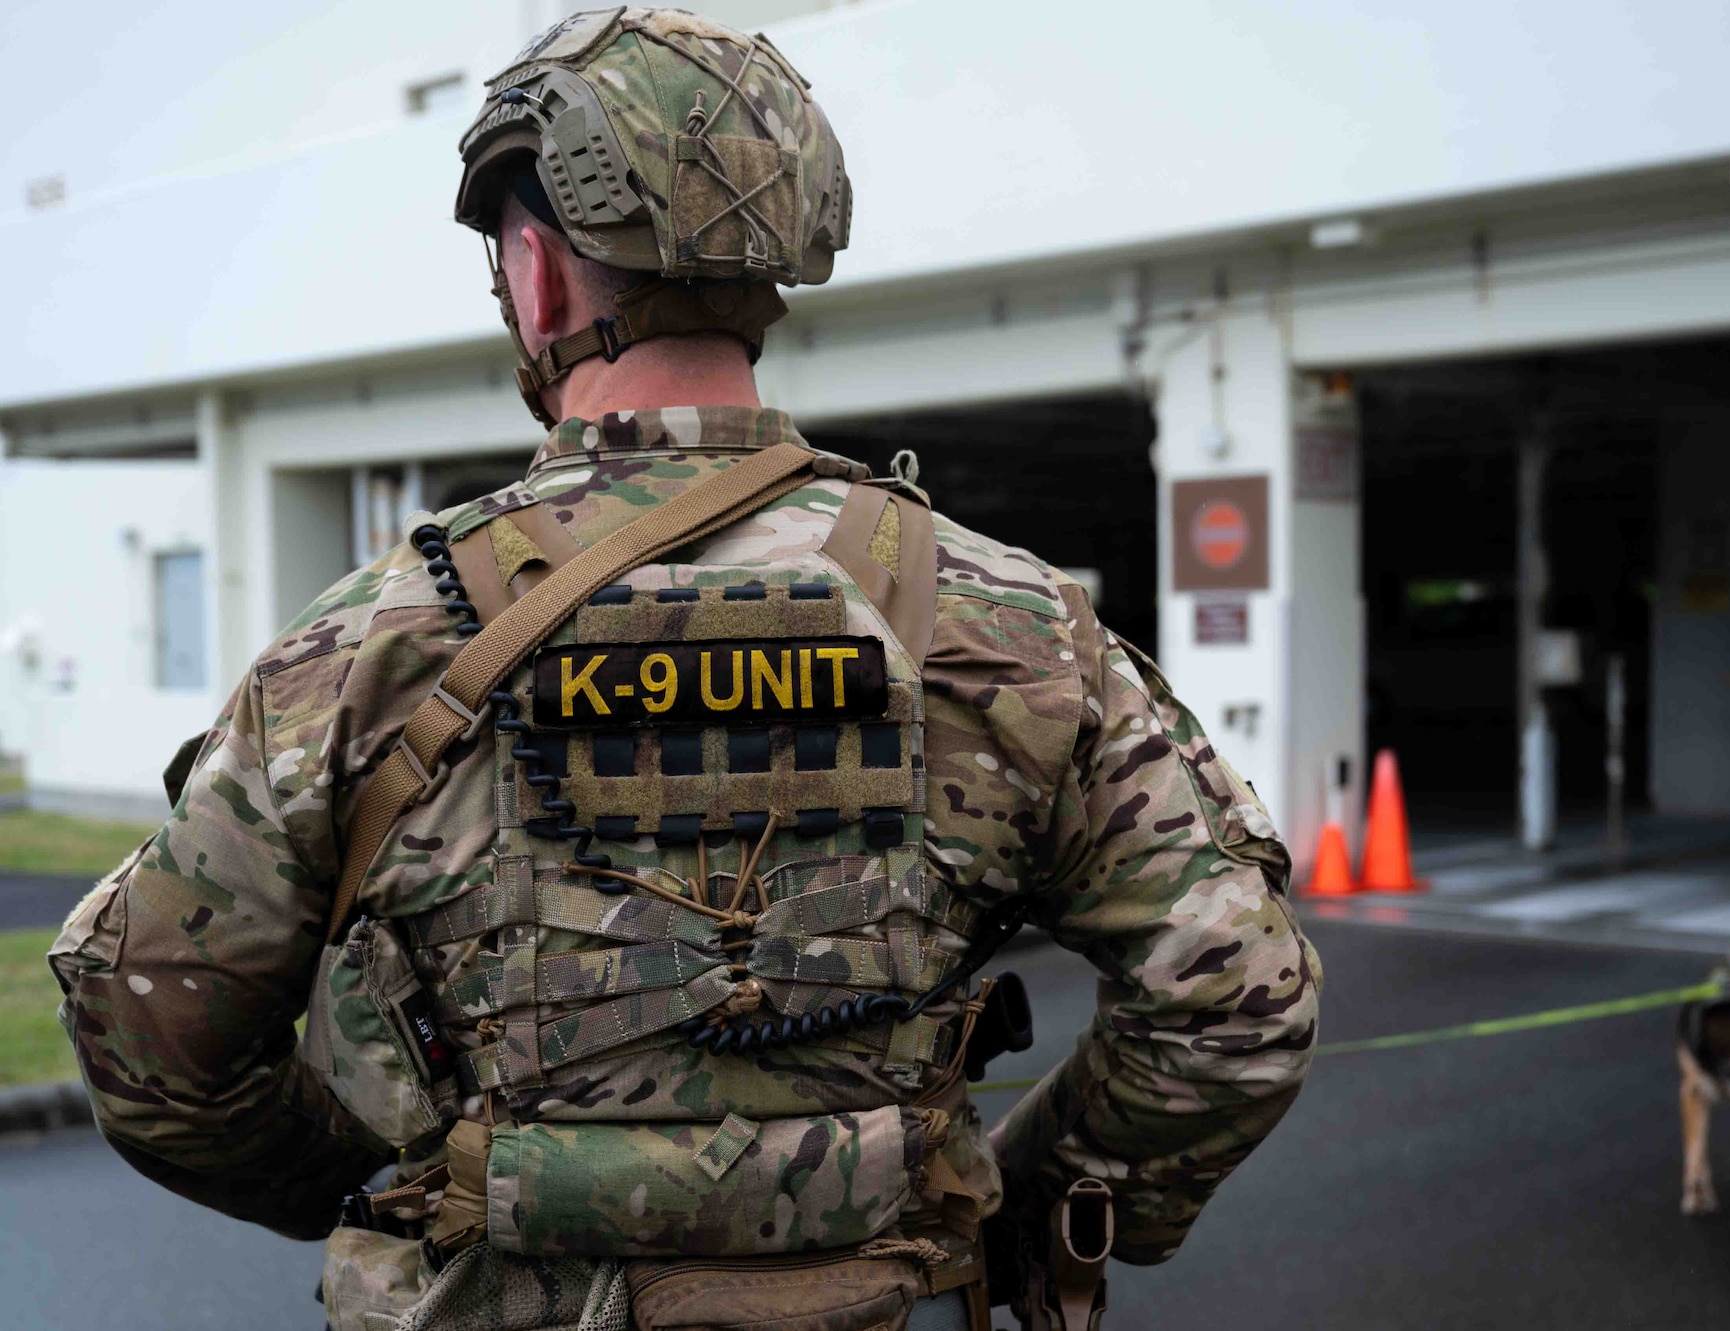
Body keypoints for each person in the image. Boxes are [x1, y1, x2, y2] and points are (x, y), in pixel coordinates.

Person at [49, 10, 1320, 1329]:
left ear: (536, 275)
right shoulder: (1014, 625)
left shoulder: (365, 650)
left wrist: (369, 1184)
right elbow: (1237, 1001)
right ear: (777, 263)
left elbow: (150, 1029)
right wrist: (1027, 1201)